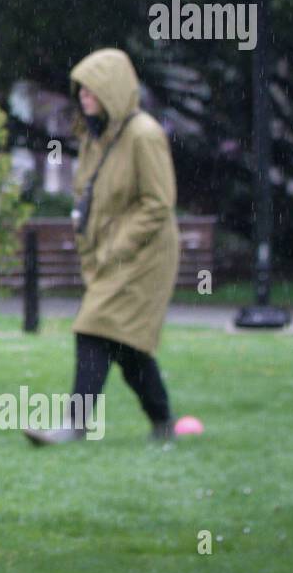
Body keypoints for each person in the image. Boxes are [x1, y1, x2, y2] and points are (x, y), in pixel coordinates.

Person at [24, 48, 180, 445]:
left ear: (113, 90)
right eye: (81, 91)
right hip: (111, 255)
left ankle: (74, 426)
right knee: (128, 347)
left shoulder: (144, 135)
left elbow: (158, 203)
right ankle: (163, 423)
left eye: (92, 91)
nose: (84, 98)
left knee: (92, 327)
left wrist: (117, 248)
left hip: (144, 256)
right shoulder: (96, 136)